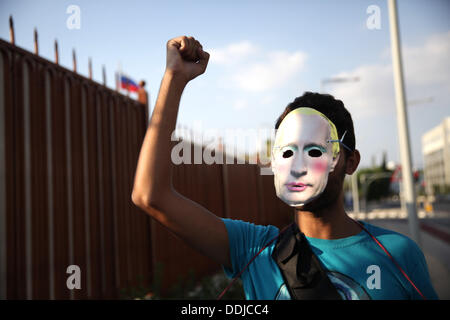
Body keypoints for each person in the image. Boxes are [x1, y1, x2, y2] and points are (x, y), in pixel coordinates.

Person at [131, 36, 438, 300]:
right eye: (288, 152)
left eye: (315, 150)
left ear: (350, 162)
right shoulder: (254, 249)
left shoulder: (398, 255)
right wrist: (174, 78)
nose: (299, 166)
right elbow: (150, 195)